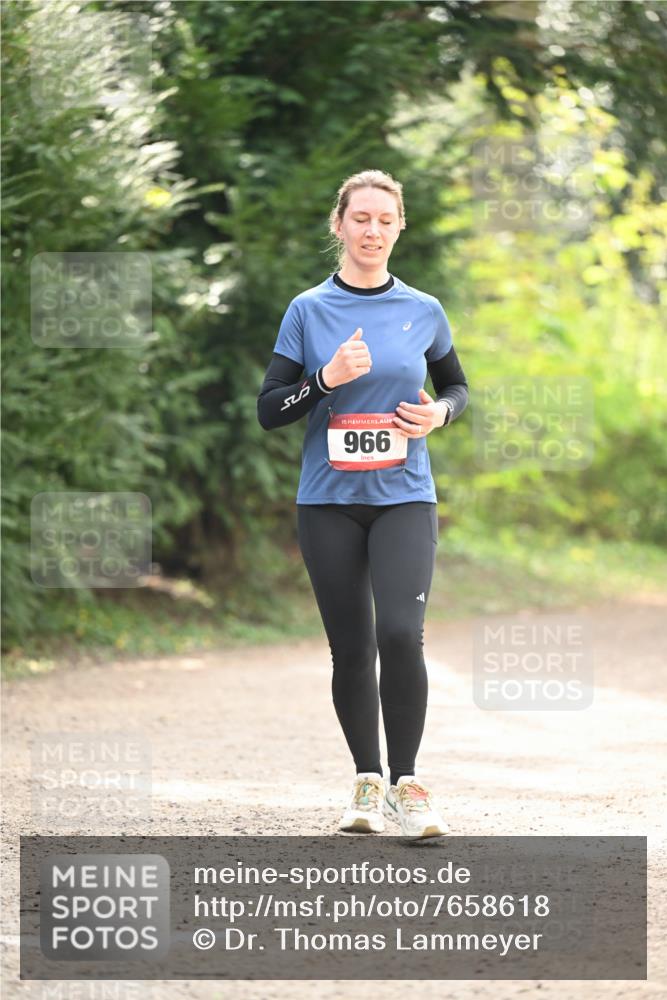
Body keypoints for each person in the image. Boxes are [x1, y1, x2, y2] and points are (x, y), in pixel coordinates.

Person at [257, 169, 468, 838]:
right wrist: (324, 379)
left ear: (399, 226)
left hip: (404, 496)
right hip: (328, 504)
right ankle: (367, 782)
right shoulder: (308, 310)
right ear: (340, 225)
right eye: (360, 218)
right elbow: (270, 410)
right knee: (351, 648)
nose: (372, 230)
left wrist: (438, 414)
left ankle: (409, 785)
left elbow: (457, 388)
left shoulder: (423, 309)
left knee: (400, 634)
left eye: (384, 219)